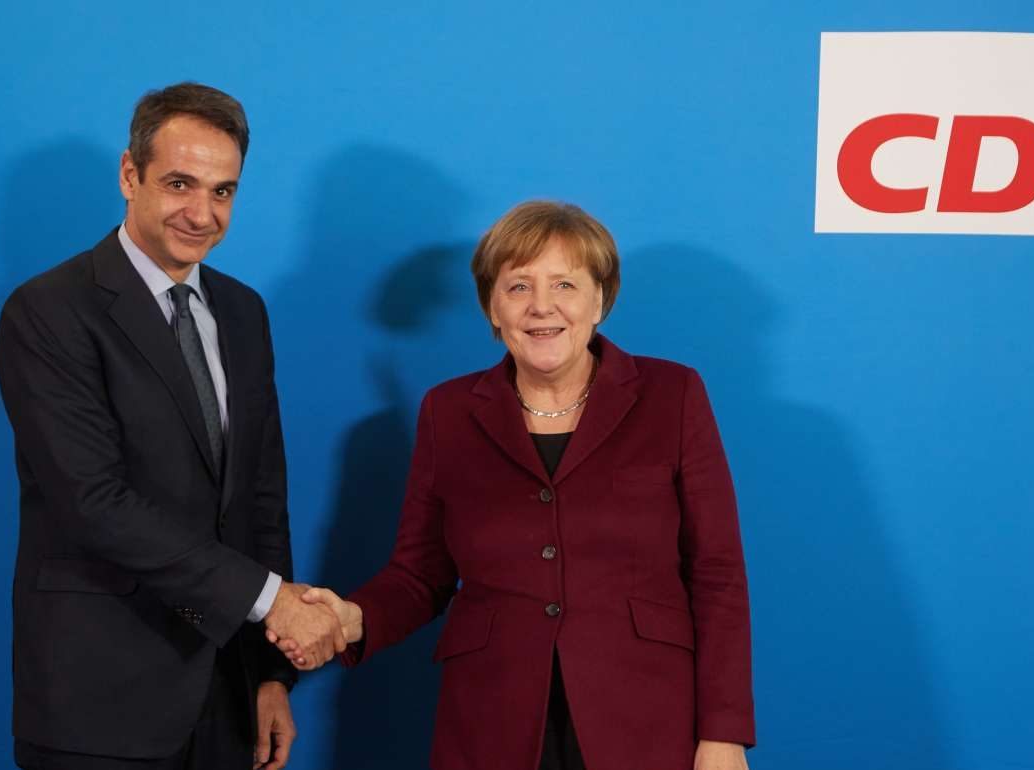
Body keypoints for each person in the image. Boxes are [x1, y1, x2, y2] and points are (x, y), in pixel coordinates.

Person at [272, 201, 755, 769]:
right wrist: (352, 618)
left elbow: (717, 573)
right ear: (492, 308)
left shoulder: (672, 394)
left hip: (646, 721)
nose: (541, 306)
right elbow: (420, 575)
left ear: (599, 299)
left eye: (565, 284)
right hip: (491, 721)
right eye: (519, 286)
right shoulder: (448, 411)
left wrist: (723, 734)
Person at [0, 82, 344, 770]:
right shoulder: (48, 311)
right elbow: (94, 502)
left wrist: (269, 674)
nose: (202, 214)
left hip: (225, 694)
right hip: (98, 701)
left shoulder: (243, 312)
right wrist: (271, 602)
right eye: (180, 183)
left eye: (223, 191)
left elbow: (260, 501)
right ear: (130, 175)